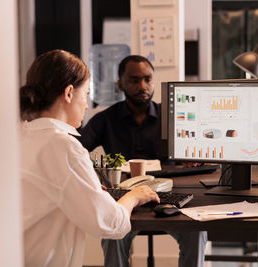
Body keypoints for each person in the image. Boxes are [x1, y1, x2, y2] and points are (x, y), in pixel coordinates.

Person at [19, 50, 160, 267]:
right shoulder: (64, 147)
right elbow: (110, 224)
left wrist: (90, 188)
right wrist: (134, 196)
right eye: (85, 94)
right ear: (68, 93)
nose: (86, 105)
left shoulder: (22, 136)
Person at [79, 55, 207, 267]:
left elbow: (198, 148)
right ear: (120, 83)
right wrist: (95, 176)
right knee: (112, 235)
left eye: (147, 79)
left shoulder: (172, 116)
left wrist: (194, 159)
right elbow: (78, 151)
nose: (143, 86)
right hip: (125, 201)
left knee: (196, 231)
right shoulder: (105, 119)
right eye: (134, 80)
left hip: (170, 198)